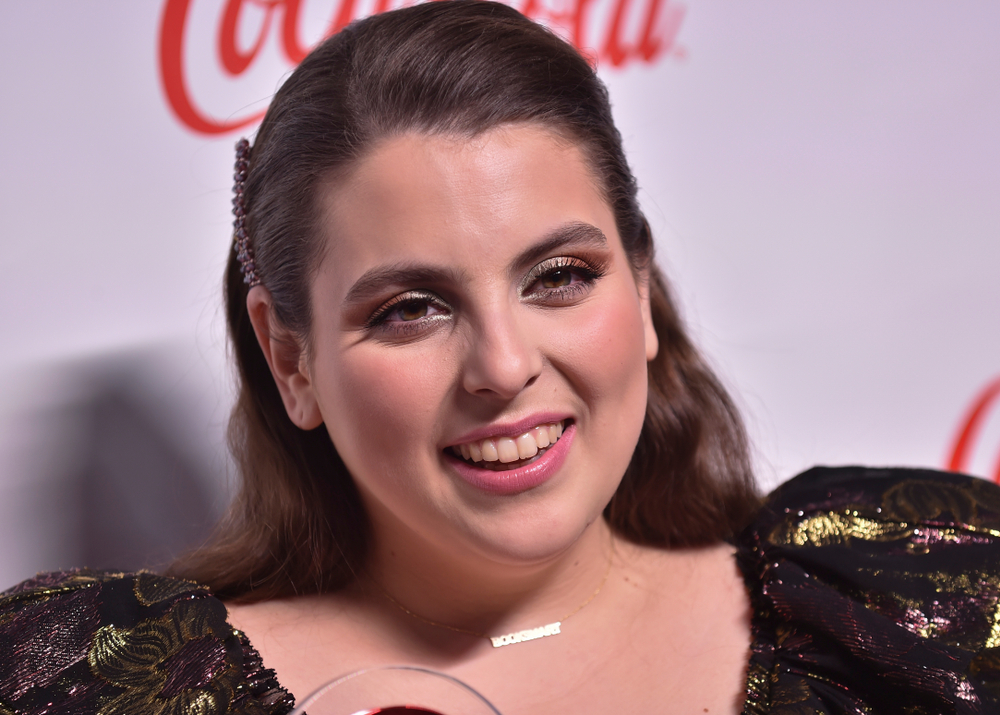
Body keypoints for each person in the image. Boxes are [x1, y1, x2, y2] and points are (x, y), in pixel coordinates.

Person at [2, 2, 998, 713]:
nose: (503, 364)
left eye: (558, 275)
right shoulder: (106, 683)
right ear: (291, 360)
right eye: (412, 309)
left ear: (640, 293)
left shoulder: (919, 600)